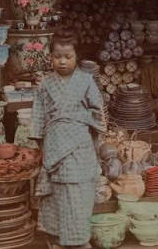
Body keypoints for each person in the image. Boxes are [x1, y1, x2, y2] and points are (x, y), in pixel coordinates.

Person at [30, 30, 105, 249]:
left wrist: (85, 125)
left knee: (78, 193)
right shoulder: (45, 85)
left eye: (68, 56)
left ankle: (80, 242)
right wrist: (44, 146)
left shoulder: (86, 80)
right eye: (57, 56)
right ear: (50, 56)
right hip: (54, 146)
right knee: (56, 194)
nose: (62, 61)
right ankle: (56, 240)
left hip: (80, 146)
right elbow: (38, 117)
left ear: (77, 57)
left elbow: (98, 112)